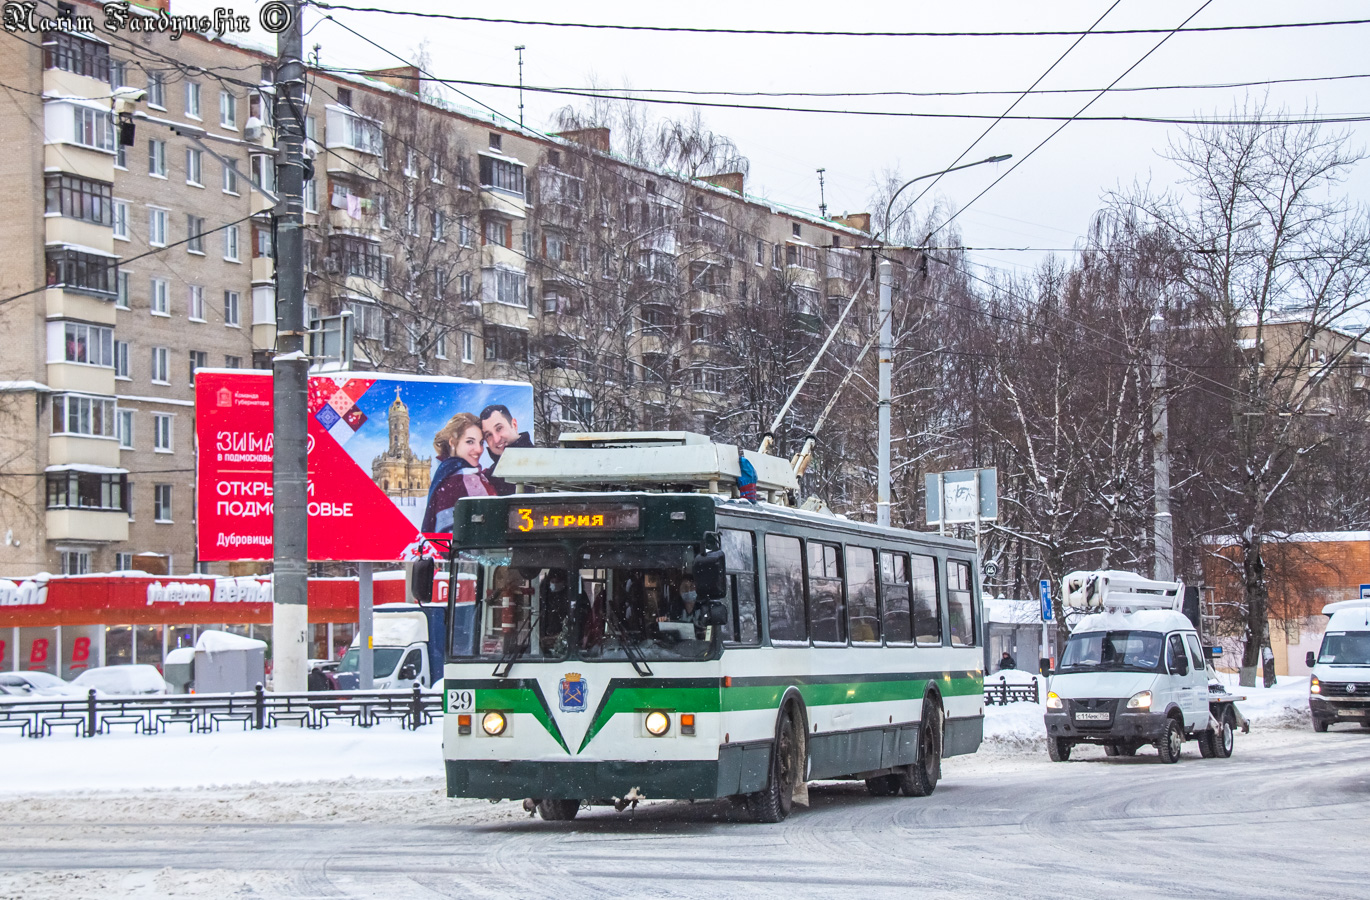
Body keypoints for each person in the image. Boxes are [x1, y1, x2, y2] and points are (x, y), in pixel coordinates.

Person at [420, 412, 495, 533]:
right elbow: (455, 536)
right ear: (453, 442)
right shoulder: (460, 480)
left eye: (481, 443)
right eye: (470, 441)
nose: (479, 449)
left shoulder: (446, 473)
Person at [480, 404, 533, 496]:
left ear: (514, 425)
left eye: (499, 428)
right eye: (488, 435)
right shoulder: (487, 479)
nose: (496, 439)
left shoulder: (544, 463)